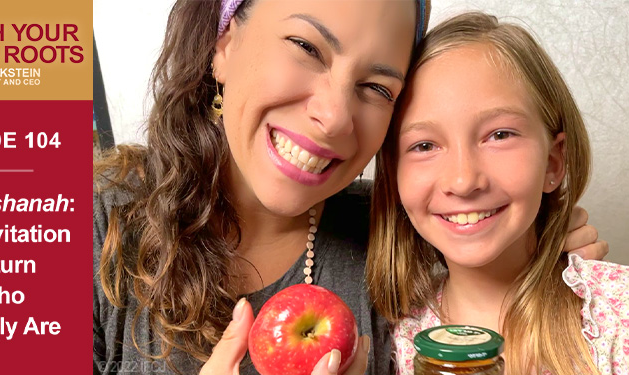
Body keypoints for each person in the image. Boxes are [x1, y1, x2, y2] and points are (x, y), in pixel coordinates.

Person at [93, 1, 607, 374]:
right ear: (222, 41)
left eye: (377, 88)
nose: (335, 118)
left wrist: (552, 256)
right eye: (305, 47)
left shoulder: (395, 242)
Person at [367, 12, 627, 375]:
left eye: (500, 135)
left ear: (553, 163)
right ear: (394, 175)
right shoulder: (384, 343)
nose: (462, 180)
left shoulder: (618, 314)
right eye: (425, 145)